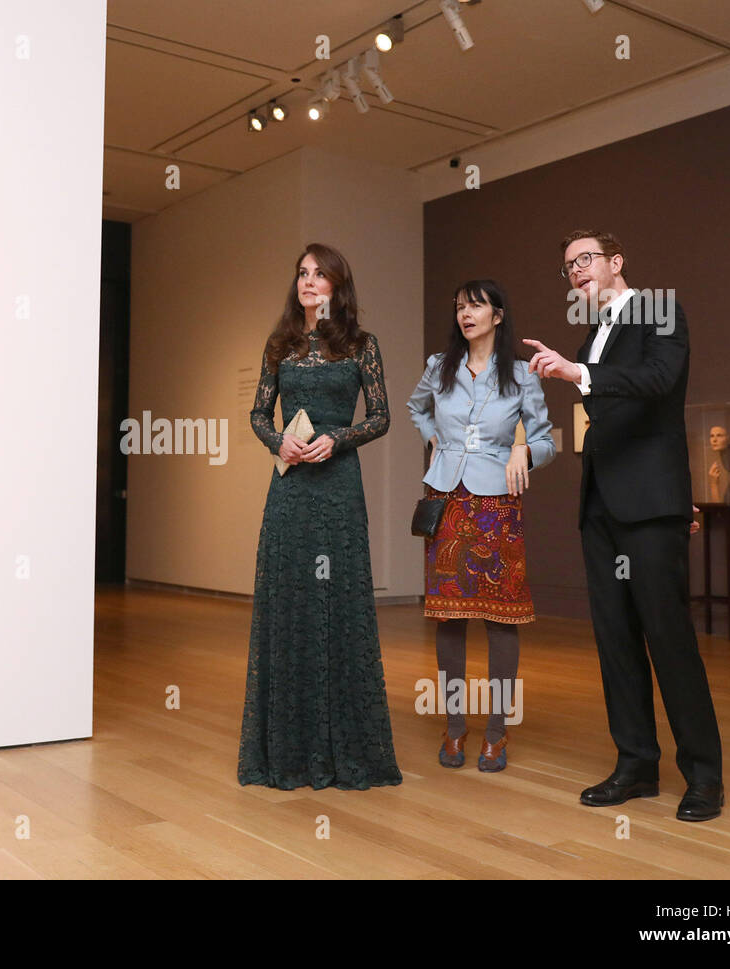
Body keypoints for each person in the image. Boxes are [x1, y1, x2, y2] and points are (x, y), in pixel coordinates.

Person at [524, 229, 723, 821]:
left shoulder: (659, 311)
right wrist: (578, 367)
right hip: (601, 508)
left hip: (650, 505)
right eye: (568, 267)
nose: (577, 271)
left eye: (585, 259)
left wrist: (576, 374)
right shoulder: (595, 333)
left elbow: (659, 382)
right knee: (614, 641)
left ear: (616, 262)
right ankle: (636, 764)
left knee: (669, 637)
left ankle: (705, 776)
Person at [237, 242, 401, 790]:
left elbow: (380, 417)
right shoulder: (279, 344)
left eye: (320, 275)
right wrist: (276, 441)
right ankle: (285, 752)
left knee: (338, 603)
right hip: (290, 491)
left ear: (337, 286)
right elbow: (258, 411)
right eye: (303, 273)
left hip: (336, 487)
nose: (309, 282)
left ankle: (343, 750)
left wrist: (338, 437)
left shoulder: (360, 345)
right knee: (289, 601)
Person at [407, 280, 556, 772]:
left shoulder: (520, 375)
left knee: (501, 619)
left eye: (475, 306)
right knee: (448, 616)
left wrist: (523, 449)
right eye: (459, 307)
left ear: (497, 315)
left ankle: (496, 733)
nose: (465, 314)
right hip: (446, 500)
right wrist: (435, 442)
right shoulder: (438, 368)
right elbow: (415, 408)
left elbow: (546, 440)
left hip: (497, 507)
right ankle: (454, 730)